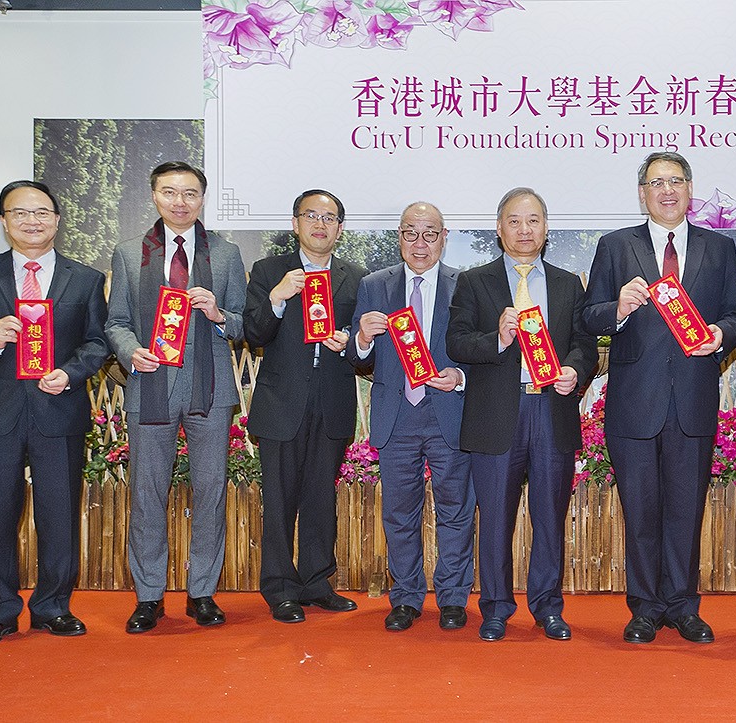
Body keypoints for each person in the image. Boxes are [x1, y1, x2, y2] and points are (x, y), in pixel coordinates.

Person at [580, 151, 736, 644]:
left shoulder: (718, 248)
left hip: (693, 401)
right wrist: (619, 307)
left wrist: (720, 333)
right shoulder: (616, 247)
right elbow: (589, 317)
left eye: (676, 181)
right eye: (657, 183)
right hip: (635, 402)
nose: (667, 190)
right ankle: (645, 607)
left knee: (685, 508)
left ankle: (682, 604)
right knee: (641, 508)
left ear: (690, 189)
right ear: (642, 193)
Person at [0, 180, 110, 649]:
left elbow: (97, 342)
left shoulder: (86, 278)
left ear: (57, 219)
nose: (31, 221)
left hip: (59, 410)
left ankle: (54, 607)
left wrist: (71, 373)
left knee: (59, 514)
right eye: (19, 213)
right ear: (3, 221)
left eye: (41, 212)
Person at [447, 188, 596, 642]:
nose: (524, 229)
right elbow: (456, 342)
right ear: (499, 228)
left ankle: (548, 606)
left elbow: (584, 344)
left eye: (533, 221)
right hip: (497, 415)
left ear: (546, 228)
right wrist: (497, 338)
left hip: (551, 410)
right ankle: (495, 607)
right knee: (494, 519)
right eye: (514, 221)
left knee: (550, 516)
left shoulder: (570, 283)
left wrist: (575, 369)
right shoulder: (475, 282)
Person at [103, 161, 247, 633]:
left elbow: (246, 324)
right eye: (170, 192)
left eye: (190, 193)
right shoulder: (128, 254)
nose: (180, 201)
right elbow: (115, 323)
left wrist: (218, 312)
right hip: (150, 385)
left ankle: (202, 592)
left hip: (211, 387)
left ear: (203, 199)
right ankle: (148, 596)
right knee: (147, 495)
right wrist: (131, 352)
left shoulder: (226, 255)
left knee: (210, 492)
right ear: (154, 196)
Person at [242, 189, 365, 623]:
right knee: (279, 500)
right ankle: (279, 588)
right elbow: (253, 334)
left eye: (329, 218)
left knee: (319, 498)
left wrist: (352, 339)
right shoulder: (268, 270)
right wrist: (277, 297)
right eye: (310, 215)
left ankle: (316, 582)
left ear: (340, 229)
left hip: (331, 401)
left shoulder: (356, 277)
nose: (320, 224)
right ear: (295, 223)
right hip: (281, 402)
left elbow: (363, 350)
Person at [351, 202, 473, 632]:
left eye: (430, 234)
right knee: (399, 514)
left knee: (456, 510)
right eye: (411, 233)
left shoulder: (467, 285)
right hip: (396, 416)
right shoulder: (373, 285)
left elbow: (479, 349)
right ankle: (405, 597)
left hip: (448, 415)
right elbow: (355, 355)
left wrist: (459, 375)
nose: (420, 244)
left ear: (444, 237)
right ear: (399, 236)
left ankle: (454, 597)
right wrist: (363, 335)